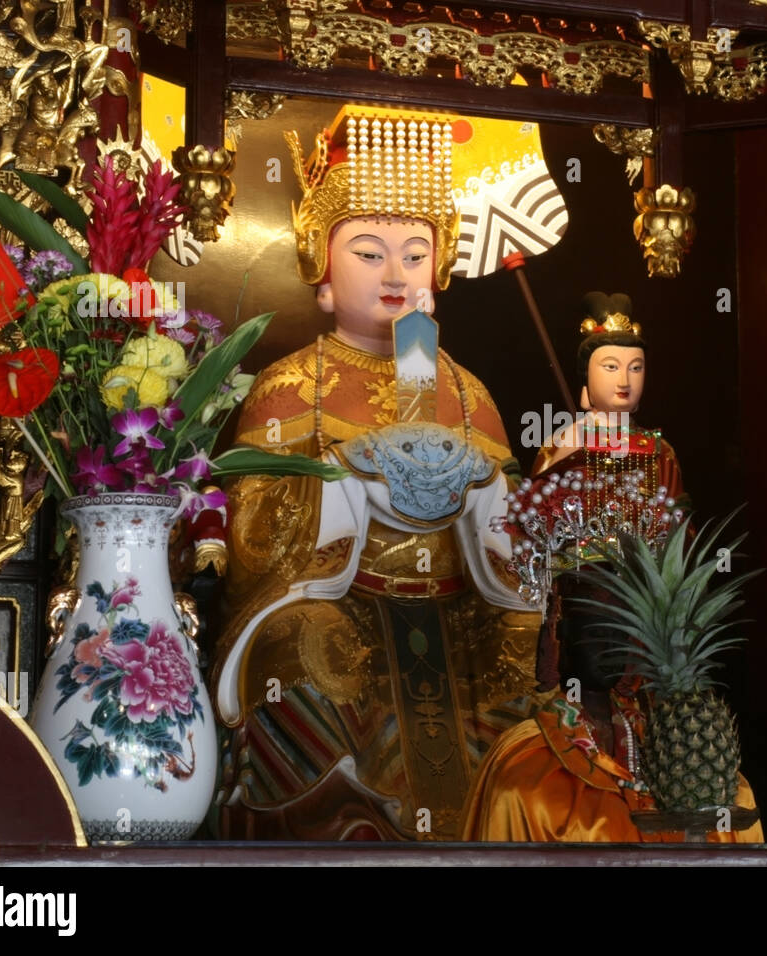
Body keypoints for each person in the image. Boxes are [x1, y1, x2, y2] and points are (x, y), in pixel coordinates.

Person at [211, 106, 539, 841]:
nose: (396, 274)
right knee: (300, 645)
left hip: (458, 602)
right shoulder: (291, 385)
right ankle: (341, 818)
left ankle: (500, 819)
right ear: (320, 268)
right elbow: (250, 532)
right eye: (368, 252)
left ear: (441, 265)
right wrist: (346, 482)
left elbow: (517, 530)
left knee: (521, 633)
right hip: (340, 595)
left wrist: (478, 493)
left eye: (415, 254)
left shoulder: (467, 392)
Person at [461, 572, 763, 842]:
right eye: (596, 635)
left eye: (619, 636)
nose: (610, 649)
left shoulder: (659, 739)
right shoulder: (525, 760)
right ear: (560, 640)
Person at [531, 293, 686, 512]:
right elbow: (535, 516)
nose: (624, 381)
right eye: (611, 367)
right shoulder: (562, 443)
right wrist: (568, 455)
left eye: (635, 368)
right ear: (586, 377)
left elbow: (680, 527)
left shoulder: (660, 453)